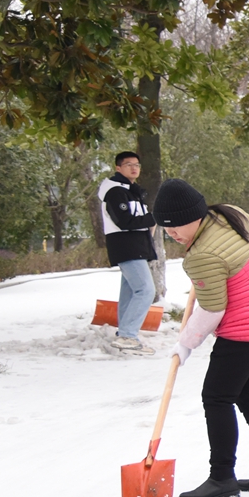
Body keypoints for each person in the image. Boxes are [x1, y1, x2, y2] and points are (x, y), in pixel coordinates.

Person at [151, 179, 249, 497]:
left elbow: (213, 309)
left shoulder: (201, 256)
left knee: (216, 398)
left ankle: (222, 477)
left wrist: (185, 344)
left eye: (176, 227)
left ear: (195, 215)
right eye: (165, 229)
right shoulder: (232, 215)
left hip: (244, 335)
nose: (172, 234)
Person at [97, 151, 157, 355]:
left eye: (137, 165)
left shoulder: (131, 191)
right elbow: (123, 221)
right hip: (127, 246)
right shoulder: (115, 192)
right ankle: (128, 335)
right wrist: (152, 218)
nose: (134, 168)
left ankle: (124, 336)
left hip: (136, 246)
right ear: (118, 168)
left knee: (131, 292)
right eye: (129, 164)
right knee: (146, 290)